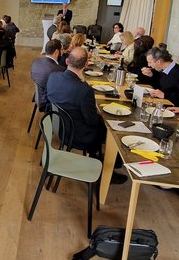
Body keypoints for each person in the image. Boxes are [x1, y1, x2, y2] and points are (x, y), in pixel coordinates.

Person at [46, 48, 127, 184]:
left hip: (58, 127)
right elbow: (91, 121)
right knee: (110, 128)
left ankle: (110, 162)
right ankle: (107, 169)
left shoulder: (53, 76)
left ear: (66, 61)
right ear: (86, 65)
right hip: (77, 135)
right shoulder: (84, 90)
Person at [30, 39, 64, 112]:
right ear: (56, 52)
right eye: (62, 49)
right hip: (48, 103)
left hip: (38, 96)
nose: (63, 52)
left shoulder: (36, 61)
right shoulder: (60, 70)